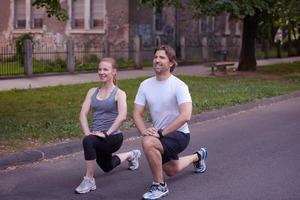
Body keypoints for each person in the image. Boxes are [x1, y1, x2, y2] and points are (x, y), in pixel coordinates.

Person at [133, 45, 208, 200]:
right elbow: (137, 113)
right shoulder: (145, 85)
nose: (157, 60)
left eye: (162, 57)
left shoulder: (179, 86)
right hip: (160, 136)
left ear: (171, 63)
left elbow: (186, 115)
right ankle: (198, 156)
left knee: (148, 143)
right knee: (172, 170)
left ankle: (159, 186)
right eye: (155, 57)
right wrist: (143, 130)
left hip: (179, 134)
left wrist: (160, 133)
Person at [75, 57, 141, 194]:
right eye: (99, 69)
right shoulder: (92, 91)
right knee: (107, 166)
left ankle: (89, 179)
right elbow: (82, 114)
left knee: (88, 141)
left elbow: (122, 116)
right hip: (96, 137)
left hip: (113, 137)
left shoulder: (119, 93)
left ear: (114, 72)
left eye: (105, 69)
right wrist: (89, 133)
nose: (101, 72)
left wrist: (106, 134)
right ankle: (131, 154)